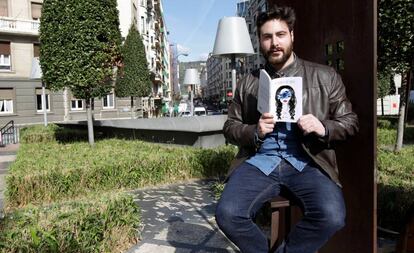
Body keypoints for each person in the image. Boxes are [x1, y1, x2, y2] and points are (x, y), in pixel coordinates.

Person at [215, 5, 359, 253]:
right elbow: (230, 127)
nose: (274, 43)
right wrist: (254, 131)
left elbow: (350, 122)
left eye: (280, 35)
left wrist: (323, 127)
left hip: (308, 159)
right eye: (267, 37)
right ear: (260, 41)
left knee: (332, 216)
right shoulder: (248, 82)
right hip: (261, 159)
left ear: (292, 35)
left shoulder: (324, 76)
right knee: (227, 214)